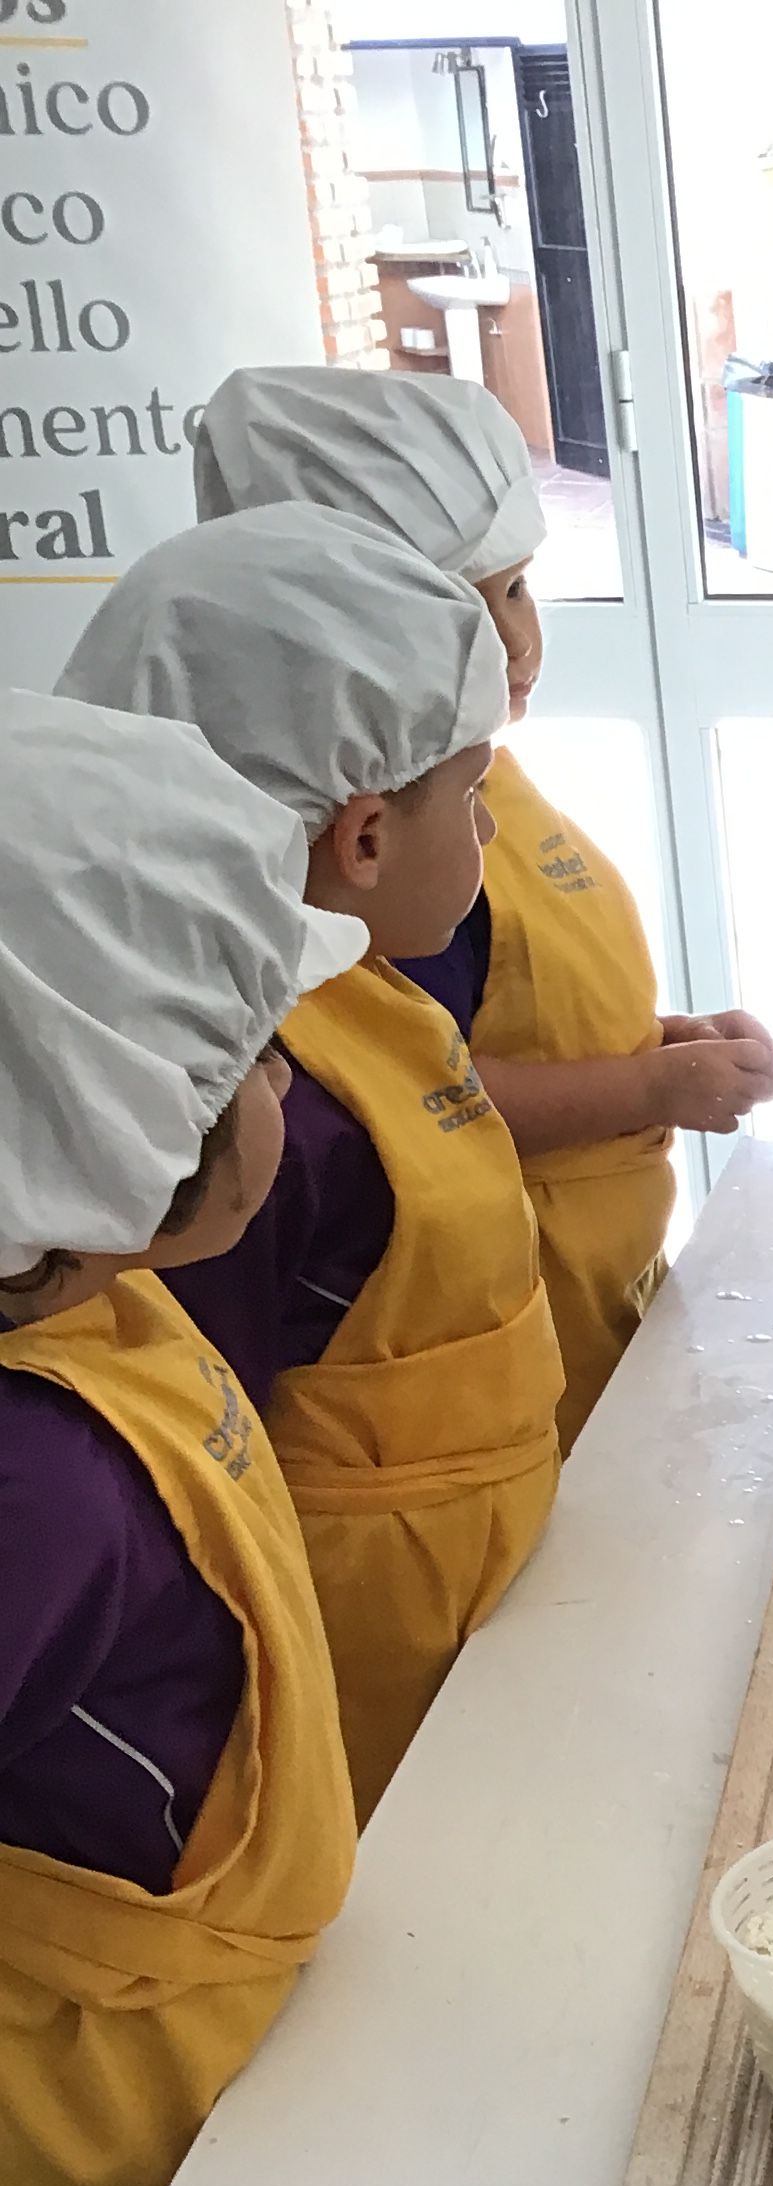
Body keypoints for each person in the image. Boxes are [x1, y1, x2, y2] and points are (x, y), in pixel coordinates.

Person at [0, 693, 532, 2186]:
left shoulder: (76, 1292)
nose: (283, 1098)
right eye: (232, 1050)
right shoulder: (16, 1478)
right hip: (97, 2136)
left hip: (226, 2031)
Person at [60, 503, 563, 1820]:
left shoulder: (369, 993)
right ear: (365, 837)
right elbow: (216, 1427)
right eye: (470, 795)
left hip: (480, 1589)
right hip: (375, 1662)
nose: (490, 831)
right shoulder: (253, 1110)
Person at [191, 364, 773, 1445]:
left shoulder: (471, 790)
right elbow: (417, 1098)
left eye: (519, 588)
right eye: (475, 602)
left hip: (598, 1307)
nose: (518, 639)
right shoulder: (379, 861)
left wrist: (651, 1045)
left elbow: (510, 1019)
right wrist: (650, 1083)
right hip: (498, 1353)